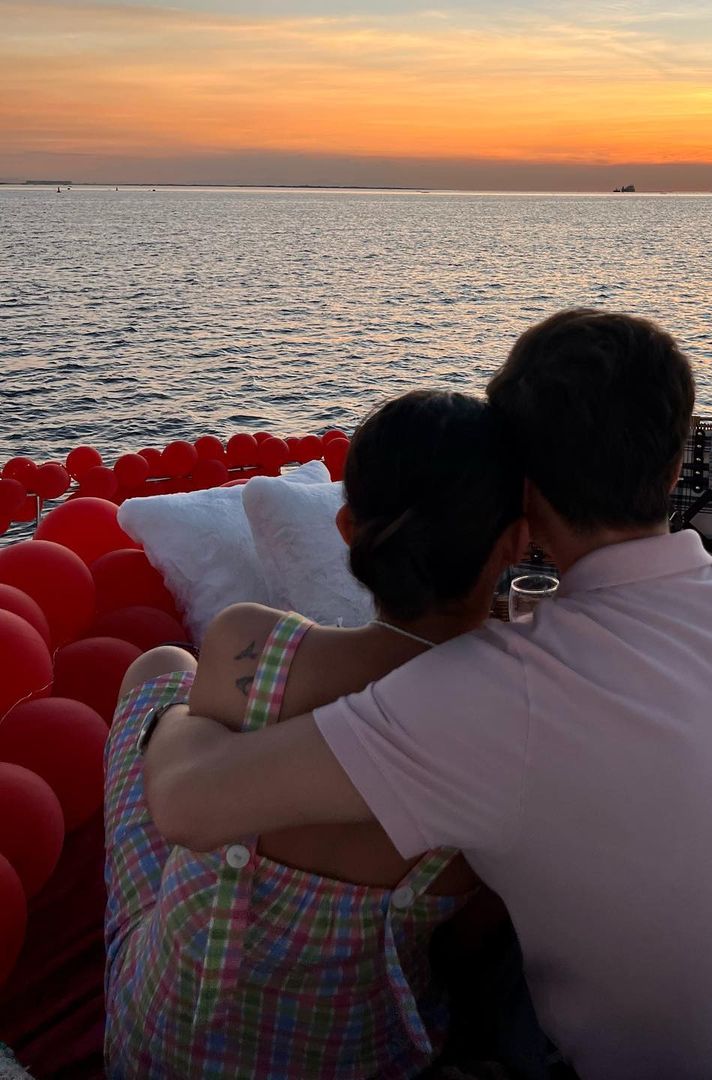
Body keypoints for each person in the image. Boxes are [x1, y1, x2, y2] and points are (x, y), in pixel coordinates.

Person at [144, 309, 712, 1080]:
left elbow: (187, 805)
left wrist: (172, 709)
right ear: (673, 467)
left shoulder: (503, 686)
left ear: (522, 495)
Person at [105, 390, 526, 1078]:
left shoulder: (250, 643)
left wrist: (178, 727)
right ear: (513, 540)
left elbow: (180, 801)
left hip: (163, 1049)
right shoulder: (517, 733)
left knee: (162, 668)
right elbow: (469, 942)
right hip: (359, 1059)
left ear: (346, 529)